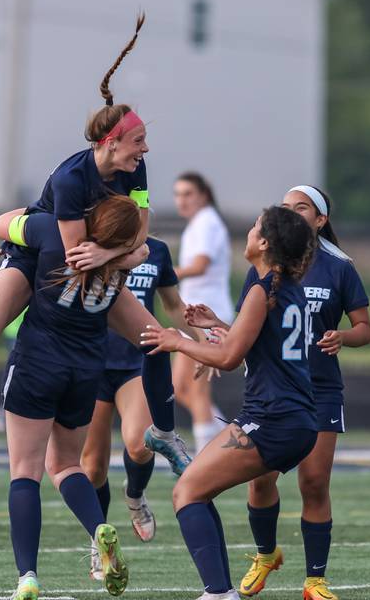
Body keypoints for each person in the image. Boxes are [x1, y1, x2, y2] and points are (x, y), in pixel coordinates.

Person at [0, 14, 190, 475]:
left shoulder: (135, 171)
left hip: (86, 266)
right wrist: (121, 251)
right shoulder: (74, 178)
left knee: (154, 341)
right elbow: (73, 255)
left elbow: (139, 239)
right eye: (138, 141)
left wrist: (117, 252)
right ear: (111, 142)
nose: (146, 149)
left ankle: (165, 434)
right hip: (38, 255)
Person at [141, 206, 318, 600]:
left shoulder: (261, 288)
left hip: (275, 418)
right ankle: (220, 592)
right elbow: (261, 344)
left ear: (265, 243)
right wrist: (219, 324)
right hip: (293, 418)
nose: (250, 231)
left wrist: (177, 342)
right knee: (196, 491)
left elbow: (229, 359)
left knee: (186, 492)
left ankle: (219, 594)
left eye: (256, 227)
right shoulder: (281, 285)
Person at [3, 194, 143, 600]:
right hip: (85, 370)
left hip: (38, 362)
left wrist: (30, 224)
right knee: (65, 465)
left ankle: (27, 576)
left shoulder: (56, 238)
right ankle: (97, 526)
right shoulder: (119, 264)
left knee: (25, 472)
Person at [239, 186, 370, 600]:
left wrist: (344, 338)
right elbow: (249, 323)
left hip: (320, 389)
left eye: (303, 208)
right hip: (272, 392)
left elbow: (365, 328)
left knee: (314, 483)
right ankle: (265, 554)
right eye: (287, 208)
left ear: (320, 220)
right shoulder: (267, 263)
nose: (292, 213)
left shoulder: (340, 267)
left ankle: (315, 580)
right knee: (261, 481)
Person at [80, 235, 206, 578]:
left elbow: (172, 304)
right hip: (90, 363)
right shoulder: (86, 243)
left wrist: (202, 342)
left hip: (136, 363)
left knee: (139, 444)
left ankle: (135, 496)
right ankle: (99, 543)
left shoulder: (156, 249)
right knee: (91, 468)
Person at [173, 172, 232, 453]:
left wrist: (166, 274)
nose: (181, 201)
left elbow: (200, 265)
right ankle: (224, 438)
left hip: (209, 316)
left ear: (203, 195)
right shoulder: (198, 224)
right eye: (178, 195)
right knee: (180, 388)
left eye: (188, 194)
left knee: (196, 389)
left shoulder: (207, 222)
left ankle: (205, 454)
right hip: (193, 317)